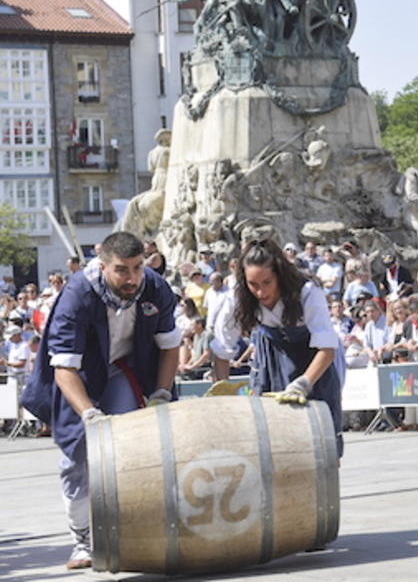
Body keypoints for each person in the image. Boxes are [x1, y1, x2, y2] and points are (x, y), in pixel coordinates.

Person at [19, 232, 181, 569]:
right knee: (80, 456)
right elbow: (64, 368)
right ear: (103, 264)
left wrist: (162, 393)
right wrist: (89, 414)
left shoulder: (155, 287)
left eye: (137, 268)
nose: (132, 278)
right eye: (122, 270)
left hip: (125, 370)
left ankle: (131, 532)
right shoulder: (77, 295)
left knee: (128, 450)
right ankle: (82, 540)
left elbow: (169, 346)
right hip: (82, 376)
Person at [211, 239, 344, 454]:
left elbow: (327, 349)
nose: (261, 292)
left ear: (280, 275)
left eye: (267, 282)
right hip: (271, 356)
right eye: (253, 284)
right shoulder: (238, 296)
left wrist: (303, 384)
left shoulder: (307, 290)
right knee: (270, 437)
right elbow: (222, 348)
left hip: (311, 358)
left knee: (321, 438)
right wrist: (223, 389)